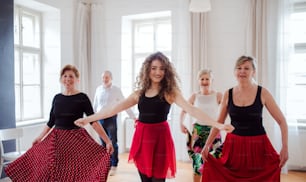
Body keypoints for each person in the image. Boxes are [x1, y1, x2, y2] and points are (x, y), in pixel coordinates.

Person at [75, 52, 234, 182]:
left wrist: (217, 124)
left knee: (158, 180)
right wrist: (88, 119)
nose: (158, 72)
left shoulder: (170, 92)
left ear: (166, 72)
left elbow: (192, 110)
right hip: (142, 139)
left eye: (162, 69)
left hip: (160, 140)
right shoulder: (139, 93)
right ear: (147, 70)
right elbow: (113, 109)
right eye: (154, 68)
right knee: (145, 179)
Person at [5, 64, 114, 182]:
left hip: (76, 140)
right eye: (65, 76)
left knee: (74, 171)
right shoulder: (57, 98)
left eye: (71, 76)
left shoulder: (82, 97)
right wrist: (39, 137)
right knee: (50, 170)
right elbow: (51, 121)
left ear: (77, 79)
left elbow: (94, 121)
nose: (67, 79)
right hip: (56, 140)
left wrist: (107, 141)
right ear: (61, 79)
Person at [201, 56, 289, 181]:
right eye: (239, 68)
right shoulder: (228, 94)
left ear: (254, 72)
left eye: (246, 68)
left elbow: (282, 121)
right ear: (235, 72)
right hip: (233, 146)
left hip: (258, 146)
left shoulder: (263, 93)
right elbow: (219, 123)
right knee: (214, 169)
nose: (242, 71)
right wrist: (207, 144)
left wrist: (285, 147)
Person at [179, 69, 223, 182]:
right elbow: (184, 110)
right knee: (197, 164)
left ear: (212, 80)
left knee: (215, 162)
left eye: (207, 79)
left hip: (214, 132)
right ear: (198, 81)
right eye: (202, 79)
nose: (204, 81)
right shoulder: (195, 96)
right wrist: (181, 123)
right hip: (198, 133)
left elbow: (227, 110)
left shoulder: (218, 95)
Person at [93, 70, 136, 176]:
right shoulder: (98, 89)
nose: (105, 79)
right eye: (103, 77)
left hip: (111, 118)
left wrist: (133, 117)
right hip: (100, 119)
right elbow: (95, 104)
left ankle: (114, 164)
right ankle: (106, 163)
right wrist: (92, 118)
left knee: (112, 142)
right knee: (103, 142)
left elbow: (125, 103)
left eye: (107, 77)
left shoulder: (116, 90)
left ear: (111, 78)